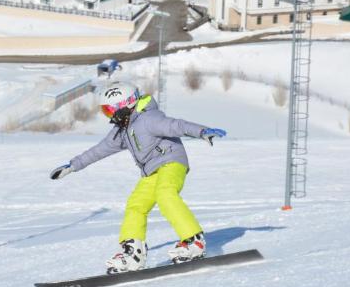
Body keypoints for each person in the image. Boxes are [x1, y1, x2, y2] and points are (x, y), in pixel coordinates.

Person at [50, 81, 227, 274]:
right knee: (136, 205)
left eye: (109, 110)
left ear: (124, 105)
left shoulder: (149, 119)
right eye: (105, 111)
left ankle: (193, 241)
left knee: (165, 194)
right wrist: (73, 165)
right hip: (151, 171)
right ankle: (132, 253)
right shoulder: (122, 130)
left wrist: (202, 131)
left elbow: (177, 126)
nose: (108, 115)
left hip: (172, 162)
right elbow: (99, 150)